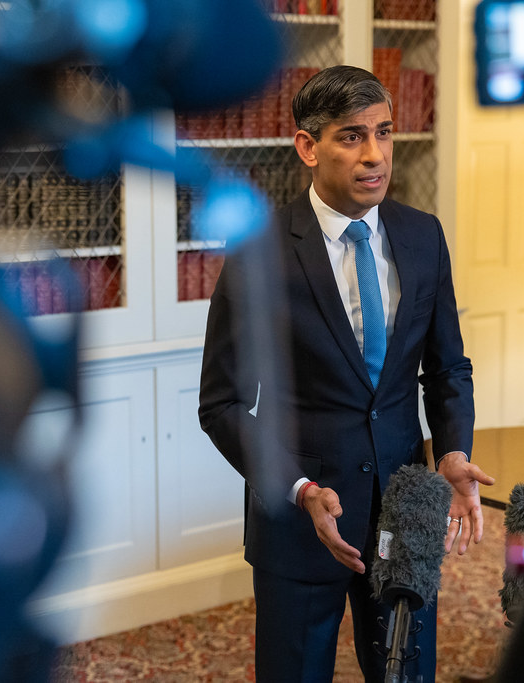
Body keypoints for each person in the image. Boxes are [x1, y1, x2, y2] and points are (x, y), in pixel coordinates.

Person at [198, 64, 495, 682]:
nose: (375, 156)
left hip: (407, 509)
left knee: (406, 674)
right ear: (308, 146)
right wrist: (300, 489)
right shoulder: (258, 251)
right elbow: (222, 403)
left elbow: (447, 368)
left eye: (384, 133)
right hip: (301, 519)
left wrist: (453, 451)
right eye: (352, 136)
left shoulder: (423, 236)